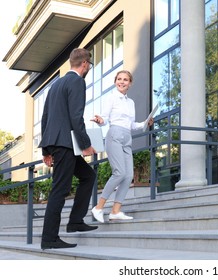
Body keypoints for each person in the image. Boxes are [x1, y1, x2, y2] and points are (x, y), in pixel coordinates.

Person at [39, 48, 98, 250]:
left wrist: (46, 150)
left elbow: (45, 119)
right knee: (60, 190)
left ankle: (75, 221)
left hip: (59, 143)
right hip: (66, 144)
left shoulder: (55, 85)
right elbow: (76, 117)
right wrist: (86, 145)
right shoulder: (77, 81)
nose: (89, 68)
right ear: (84, 64)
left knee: (88, 176)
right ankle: (49, 238)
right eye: (89, 64)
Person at [90, 70, 153, 223]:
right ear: (115, 81)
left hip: (127, 137)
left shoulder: (130, 102)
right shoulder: (111, 98)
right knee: (119, 173)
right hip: (115, 135)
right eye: (119, 79)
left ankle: (115, 211)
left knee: (128, 175)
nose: (122, 82)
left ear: (130, 83)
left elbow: (131, 124)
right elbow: (105, 118)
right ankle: (98, 207)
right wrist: (100, 120)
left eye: (125, 80)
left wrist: (145, 123)